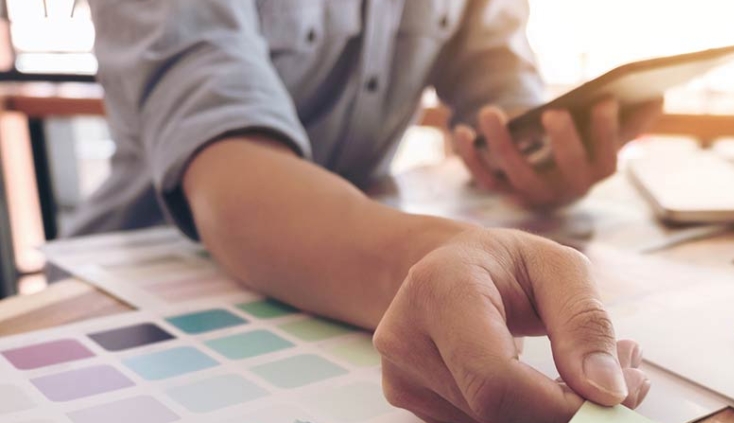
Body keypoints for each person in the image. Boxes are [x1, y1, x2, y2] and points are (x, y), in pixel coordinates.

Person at [74, 1, 663, 422]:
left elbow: (498, 79)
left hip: (350, 263)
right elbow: (227, 167)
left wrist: (537, 156)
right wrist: (432, 260)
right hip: (132, 286)